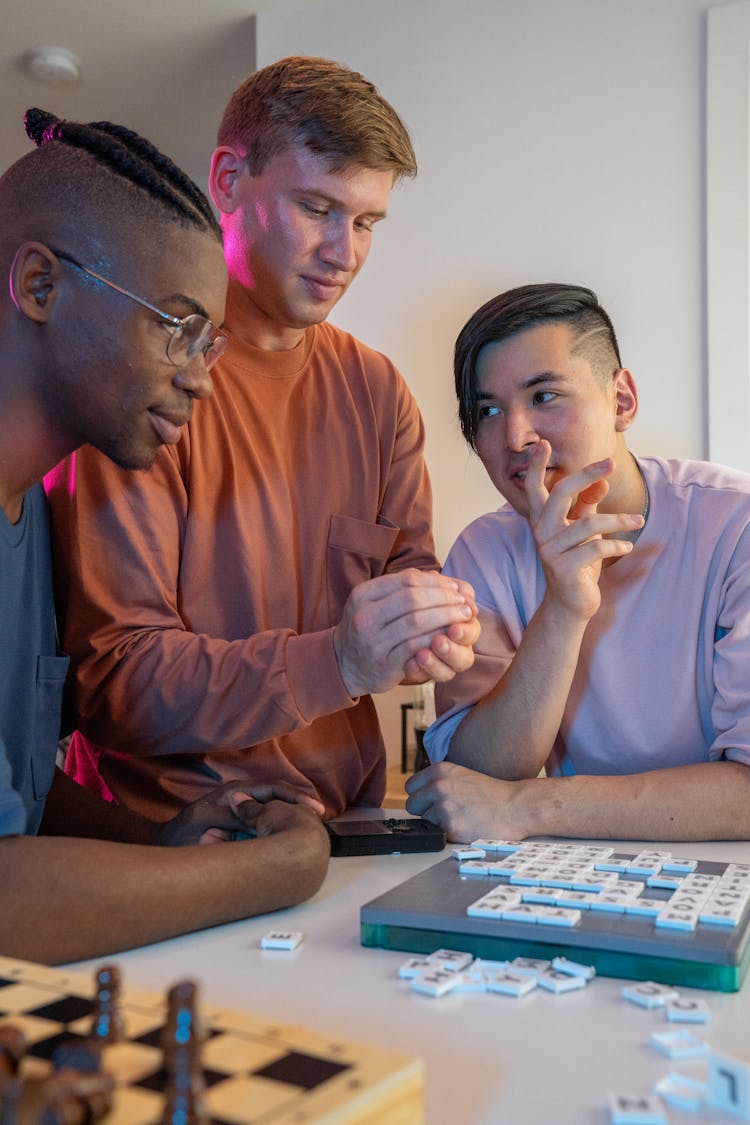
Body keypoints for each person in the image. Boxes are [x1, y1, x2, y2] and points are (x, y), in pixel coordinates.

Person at [45, 56, 480, 823]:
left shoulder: (378, 394)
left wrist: (429, 631)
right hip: (173, 846)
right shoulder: (139, 382)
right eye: (317, 207)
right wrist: (337, 659)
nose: (345, 252)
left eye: (367, 222)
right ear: (226, 182)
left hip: (347, 828)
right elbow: (115, 681)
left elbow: (407, 581)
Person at [0, 107, 330, 966]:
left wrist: (164, 837)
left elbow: (18, 797)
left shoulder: (31, 511)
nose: (202, 379)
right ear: (40, 285)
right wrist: (279, 871)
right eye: (177, 327)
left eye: (211, 342)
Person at [405, 282, 750, 843]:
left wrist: (530, 808)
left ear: (621, 401)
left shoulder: (736, 526)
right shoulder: (484, 551)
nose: (516, 436)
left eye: (544, 397)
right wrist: (563, 609)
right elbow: (474, 782)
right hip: (579, 868)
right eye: (488, 410)